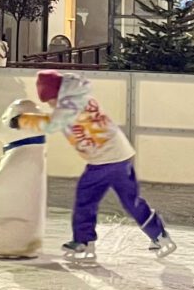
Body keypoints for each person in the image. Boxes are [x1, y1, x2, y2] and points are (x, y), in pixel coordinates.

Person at [26, 68, 174, 262]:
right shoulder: (78, 97)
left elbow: (53, 124)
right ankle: (159, 235)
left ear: (57, 93)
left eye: (50, 100)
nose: (51, 105)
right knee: (132, 200)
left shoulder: (69, 105)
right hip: (120, 156)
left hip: (104, 160)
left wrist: (22, 120)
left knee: (85, 199)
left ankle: (84, 241)